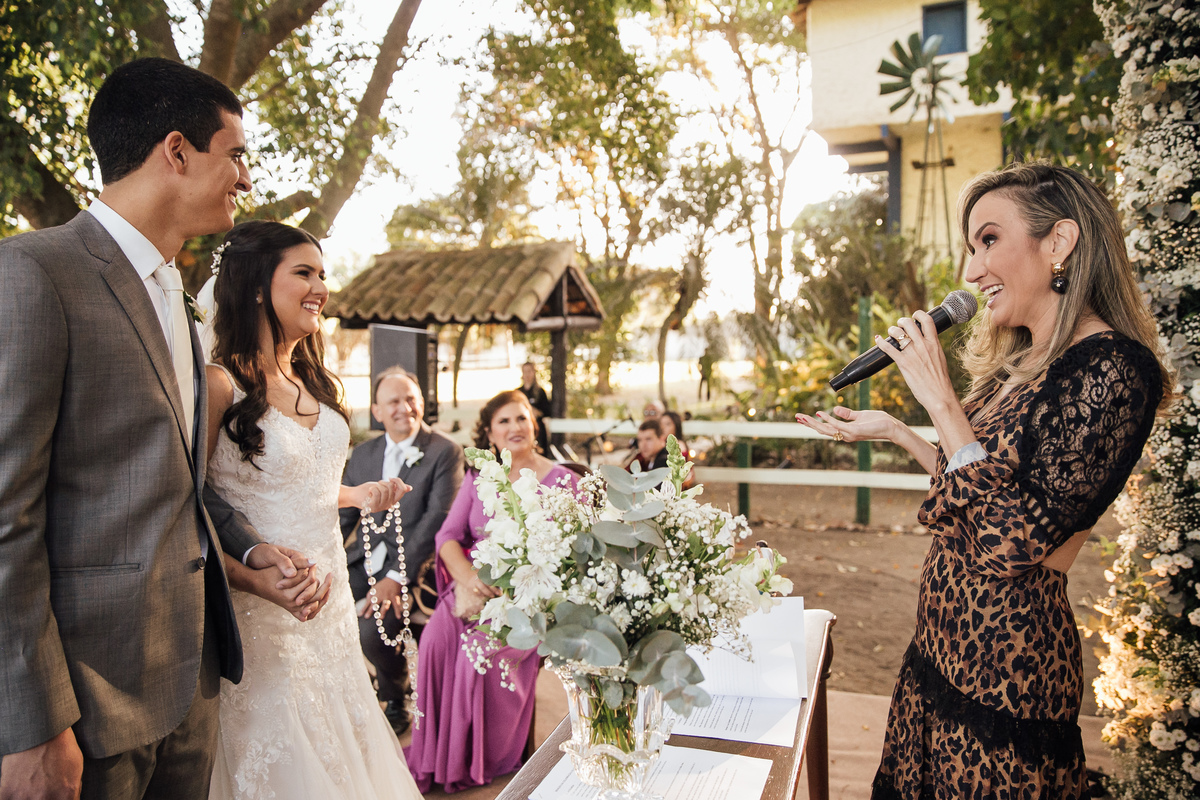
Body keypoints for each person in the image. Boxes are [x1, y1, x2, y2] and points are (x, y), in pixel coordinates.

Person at [797, 162, 1172, 799]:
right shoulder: (1021, 361)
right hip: (939, 647)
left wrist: (942, 402)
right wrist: (899, 431)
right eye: (971, 248)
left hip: (1007, 672)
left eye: (989, 240)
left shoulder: (1113, 371)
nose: (971, 272)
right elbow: (973, 487)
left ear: (1059, 242)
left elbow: (1010, 541)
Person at [0, 58, 320, 800]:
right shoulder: (34, 273)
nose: (246, 178)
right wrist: (32, 723)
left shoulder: (177, 296)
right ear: (177, 151)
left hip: (193, 685)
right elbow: (7, 513)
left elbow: (177, 477)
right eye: (234, 154)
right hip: (86, 701)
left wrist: (249, 547)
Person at [203, 221, 422, 800]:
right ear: (256, 286)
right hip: (264, 615)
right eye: (303, 273)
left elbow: (296, 483)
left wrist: (355, 494)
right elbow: (191, 500)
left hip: (331, 612)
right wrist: (251, 577)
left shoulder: (313, 380)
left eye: (322, 274)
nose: (320, 288)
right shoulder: (219, 384)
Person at [405, 390, 581, 793]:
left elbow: (579, 555)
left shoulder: (564, 482)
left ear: (534, 425)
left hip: (531, 603)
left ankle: (477, 759)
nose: (514, 427)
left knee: (477, 655)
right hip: (472, 593)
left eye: (522, 418)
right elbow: (448, 537)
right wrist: (469, 579)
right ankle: (437, 755)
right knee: (434, 641)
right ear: (489, 433)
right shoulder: (479, 478)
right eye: (504, 421)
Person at [340, 366, 465, 735]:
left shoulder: (445, 451)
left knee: (372, 630)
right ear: (377, 411)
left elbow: (436, 521)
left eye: (410, 399)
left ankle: (397, 697)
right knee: (322, 606)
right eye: (393, 401)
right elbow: (344, 517)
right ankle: (352, 694)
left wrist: (396, 577)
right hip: (364, 560)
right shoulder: (363, 454)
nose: (404, 408)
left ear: (422, 402)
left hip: (417, 570)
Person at [517, 361, 552, 454]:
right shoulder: (518, 393)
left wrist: (536, 411)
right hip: (522, 429)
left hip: (538, 430)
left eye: (529, 371)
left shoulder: (540, 392)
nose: (527, 375)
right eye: (525, 371)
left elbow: (547, 411)